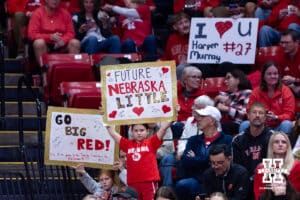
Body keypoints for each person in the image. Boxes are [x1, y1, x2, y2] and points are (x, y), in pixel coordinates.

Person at [175, 106, 232, 200]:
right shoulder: (193, 140)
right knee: (183, 185)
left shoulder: (227, 139)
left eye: (202, 116)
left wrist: (196, 158)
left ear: (212, 121)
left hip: (219, 181)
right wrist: (206, 159)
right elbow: (185, 161)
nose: (198, 119)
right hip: (196, 180)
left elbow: (223, 163)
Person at [105, 122, 173, 200]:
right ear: (132, 132)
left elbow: (163, 129)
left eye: (141, 130)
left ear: (147, 131)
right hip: (133, 184)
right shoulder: (127, 144)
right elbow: (113, 133)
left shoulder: (151, 142)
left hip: (149, 182)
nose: (139, 133)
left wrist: (171, 119)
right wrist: (105, 116)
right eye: (136, 130)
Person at [159, 95, 214, 187]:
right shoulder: (189, 121)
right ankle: (167, 189)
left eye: (195, 106)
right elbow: (183, 139)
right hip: (185, 152)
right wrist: (181, 151)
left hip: (196, 155)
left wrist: (188, 153)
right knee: (167, 158)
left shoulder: (210, 124)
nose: (192, 107)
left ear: (203, 109)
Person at [239, 61, 295, 134]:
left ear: (279, 75)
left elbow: (289, 114)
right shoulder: (256, 92)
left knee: (287, 124)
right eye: (269, 74)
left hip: (278, 127)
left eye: (275, 74)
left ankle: (281, 144)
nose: (273, 76)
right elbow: (249, 111)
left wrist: (276, 117)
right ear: (263, 77)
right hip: (260, 126)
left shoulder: (286, 91)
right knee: (244, 125)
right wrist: (260, 117)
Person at [28, 0, 81, 66]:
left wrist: (63, 40)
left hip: (62, 43)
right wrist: (49, 37)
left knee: (75, 43)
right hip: (45, 44)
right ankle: (44, 72)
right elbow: (32, 34)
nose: (55, 1)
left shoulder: (65, 13)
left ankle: (71, 71)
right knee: (39, 43)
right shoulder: (37, 13)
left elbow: (71, 32)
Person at [254, 131, 300, 200]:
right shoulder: (261, 168)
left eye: (284, 142)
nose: (280, 144)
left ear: (288, 146)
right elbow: (259, 194)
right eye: (276, 142)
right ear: (271, 146)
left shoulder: (297, 166)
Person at [215, 69, 252, 135]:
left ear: (238, 80)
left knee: (223, 126)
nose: (225, 81)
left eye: (228, 78)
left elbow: (246, 115)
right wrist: (215, 101)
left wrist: (227, 107)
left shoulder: (247, 93)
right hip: (223, 123)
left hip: (240, 125)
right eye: (225, 79)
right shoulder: (223, 95)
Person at [160, 12, 190, 79]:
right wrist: (158, 63)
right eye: (181, 23)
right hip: (176, 68)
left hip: (192, 68)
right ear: (175, 27)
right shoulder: (172, 38)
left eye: (186, 22)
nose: (185, 25)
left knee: (180, 68)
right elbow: (167, 57)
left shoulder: (195, 36)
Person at [279, 29, 300, 97]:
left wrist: (294, 80)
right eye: (282, 42)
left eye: (287, 42)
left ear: (296, 42)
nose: (283, 45)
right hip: (290, 90)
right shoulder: (281, 56)